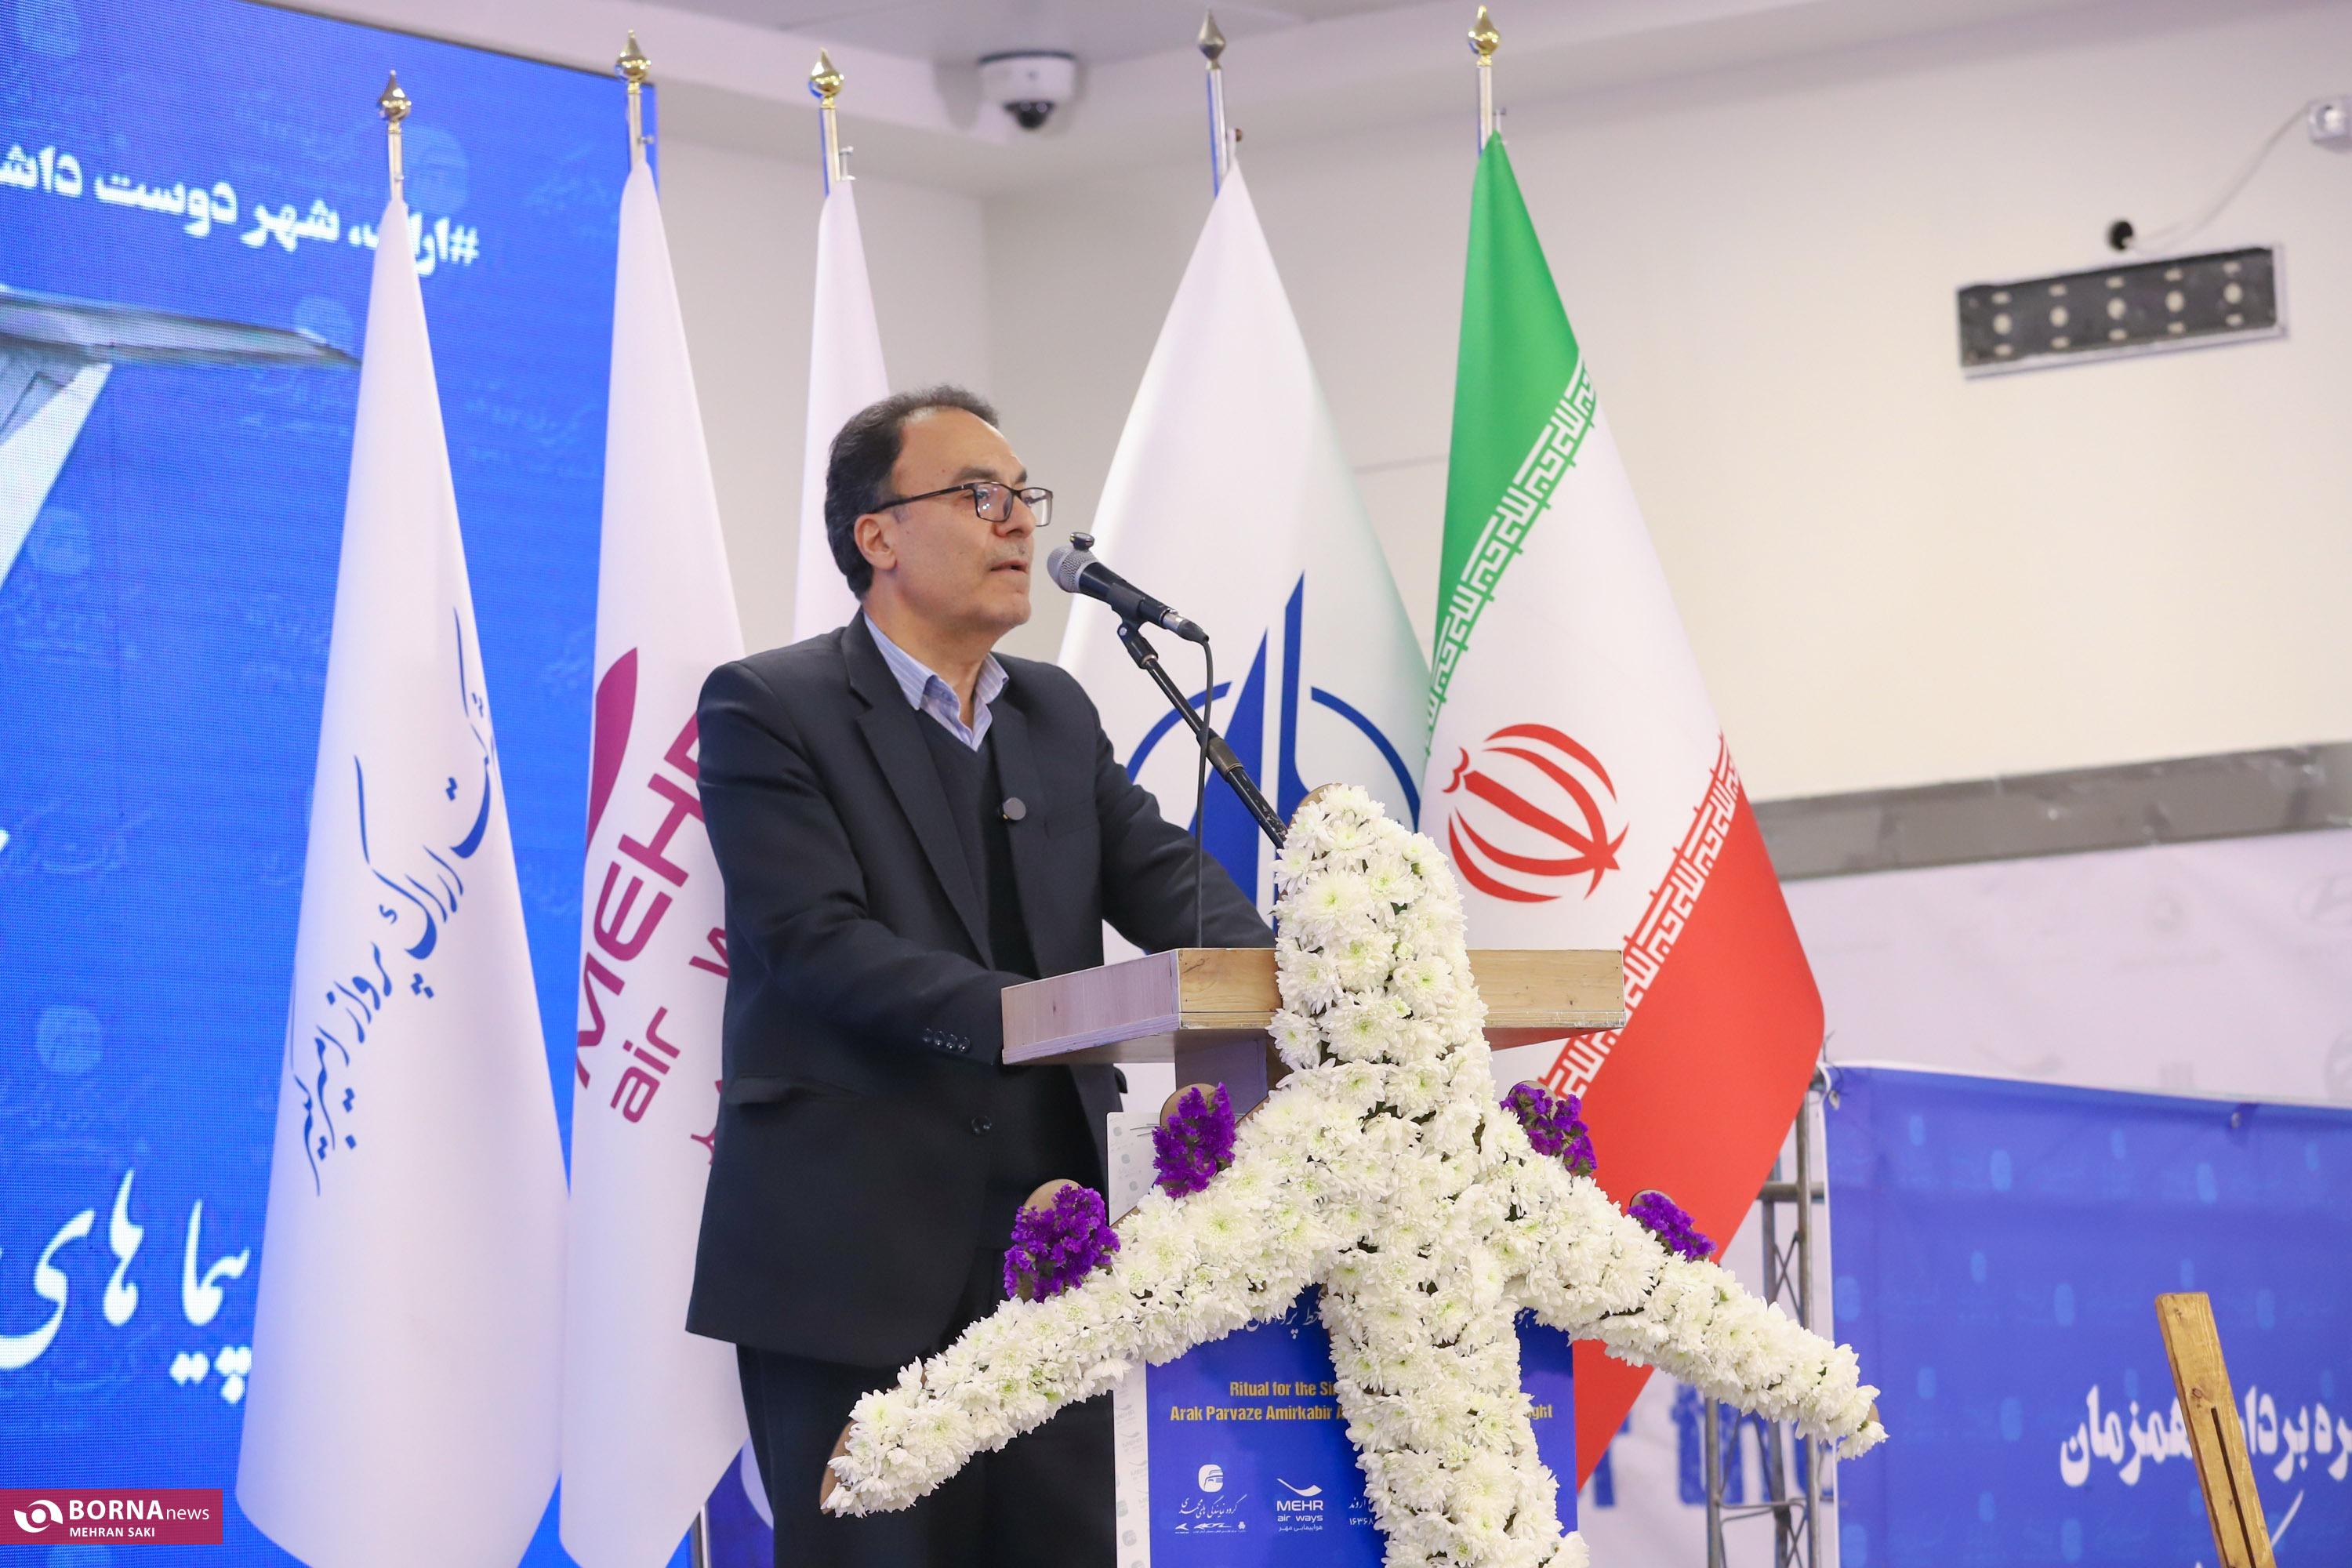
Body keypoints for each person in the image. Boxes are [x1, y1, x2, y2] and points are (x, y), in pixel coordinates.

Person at [688, 386, 1272, 1566]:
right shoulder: (770, 706)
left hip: (1056, 1249)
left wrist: (1313, 973)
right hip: (853, 1254)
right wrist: (1041, 1016)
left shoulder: (1051, 711)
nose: (1017, 521)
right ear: (879, 536)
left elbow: (1167, 881)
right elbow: (814, 941)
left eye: (1023, 496)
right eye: (978, 495)